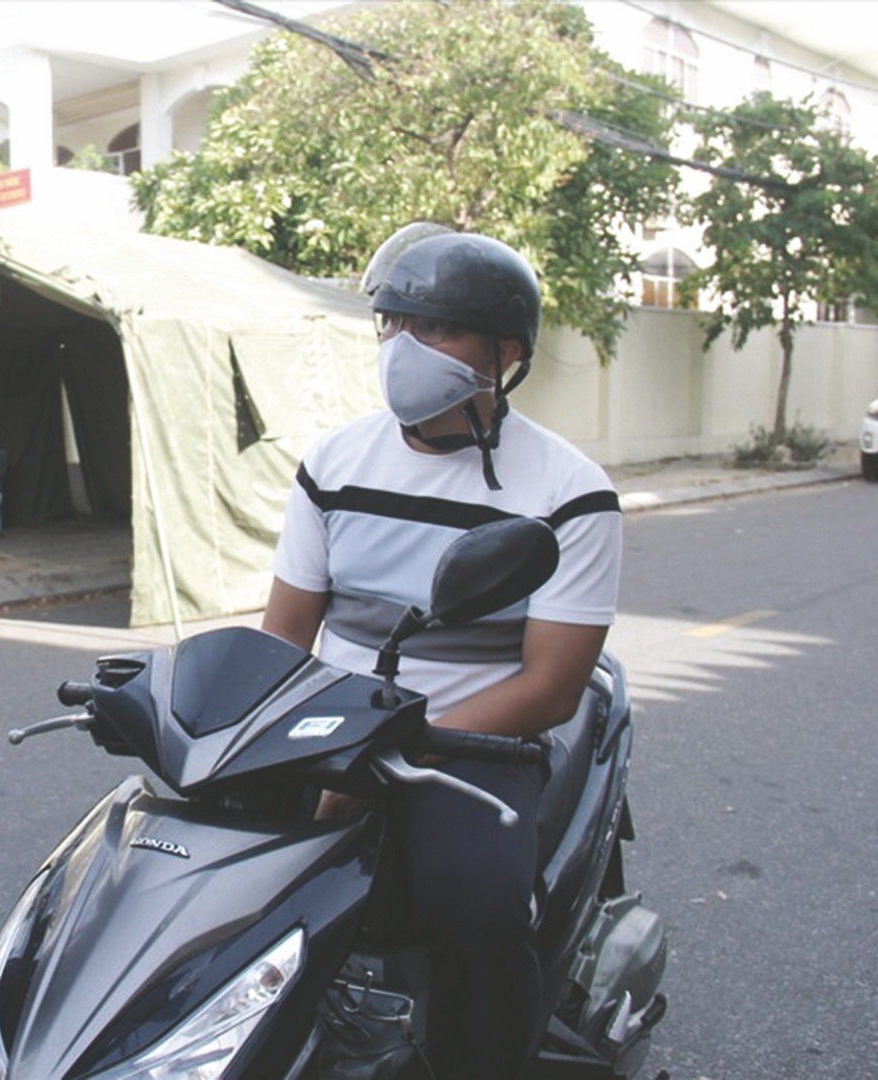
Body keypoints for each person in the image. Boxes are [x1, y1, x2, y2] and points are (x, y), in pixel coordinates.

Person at [260, 227, 622, 1080]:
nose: (401, 349)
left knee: (477, 904)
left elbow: (550, 685)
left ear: (504, 352)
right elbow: (282, 638)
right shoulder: (334, 462)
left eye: (435, 329)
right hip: (330, 726)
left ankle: (484, 1057)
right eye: (390, 324)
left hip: (470, 743)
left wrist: (393, 747)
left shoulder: (568, 493)